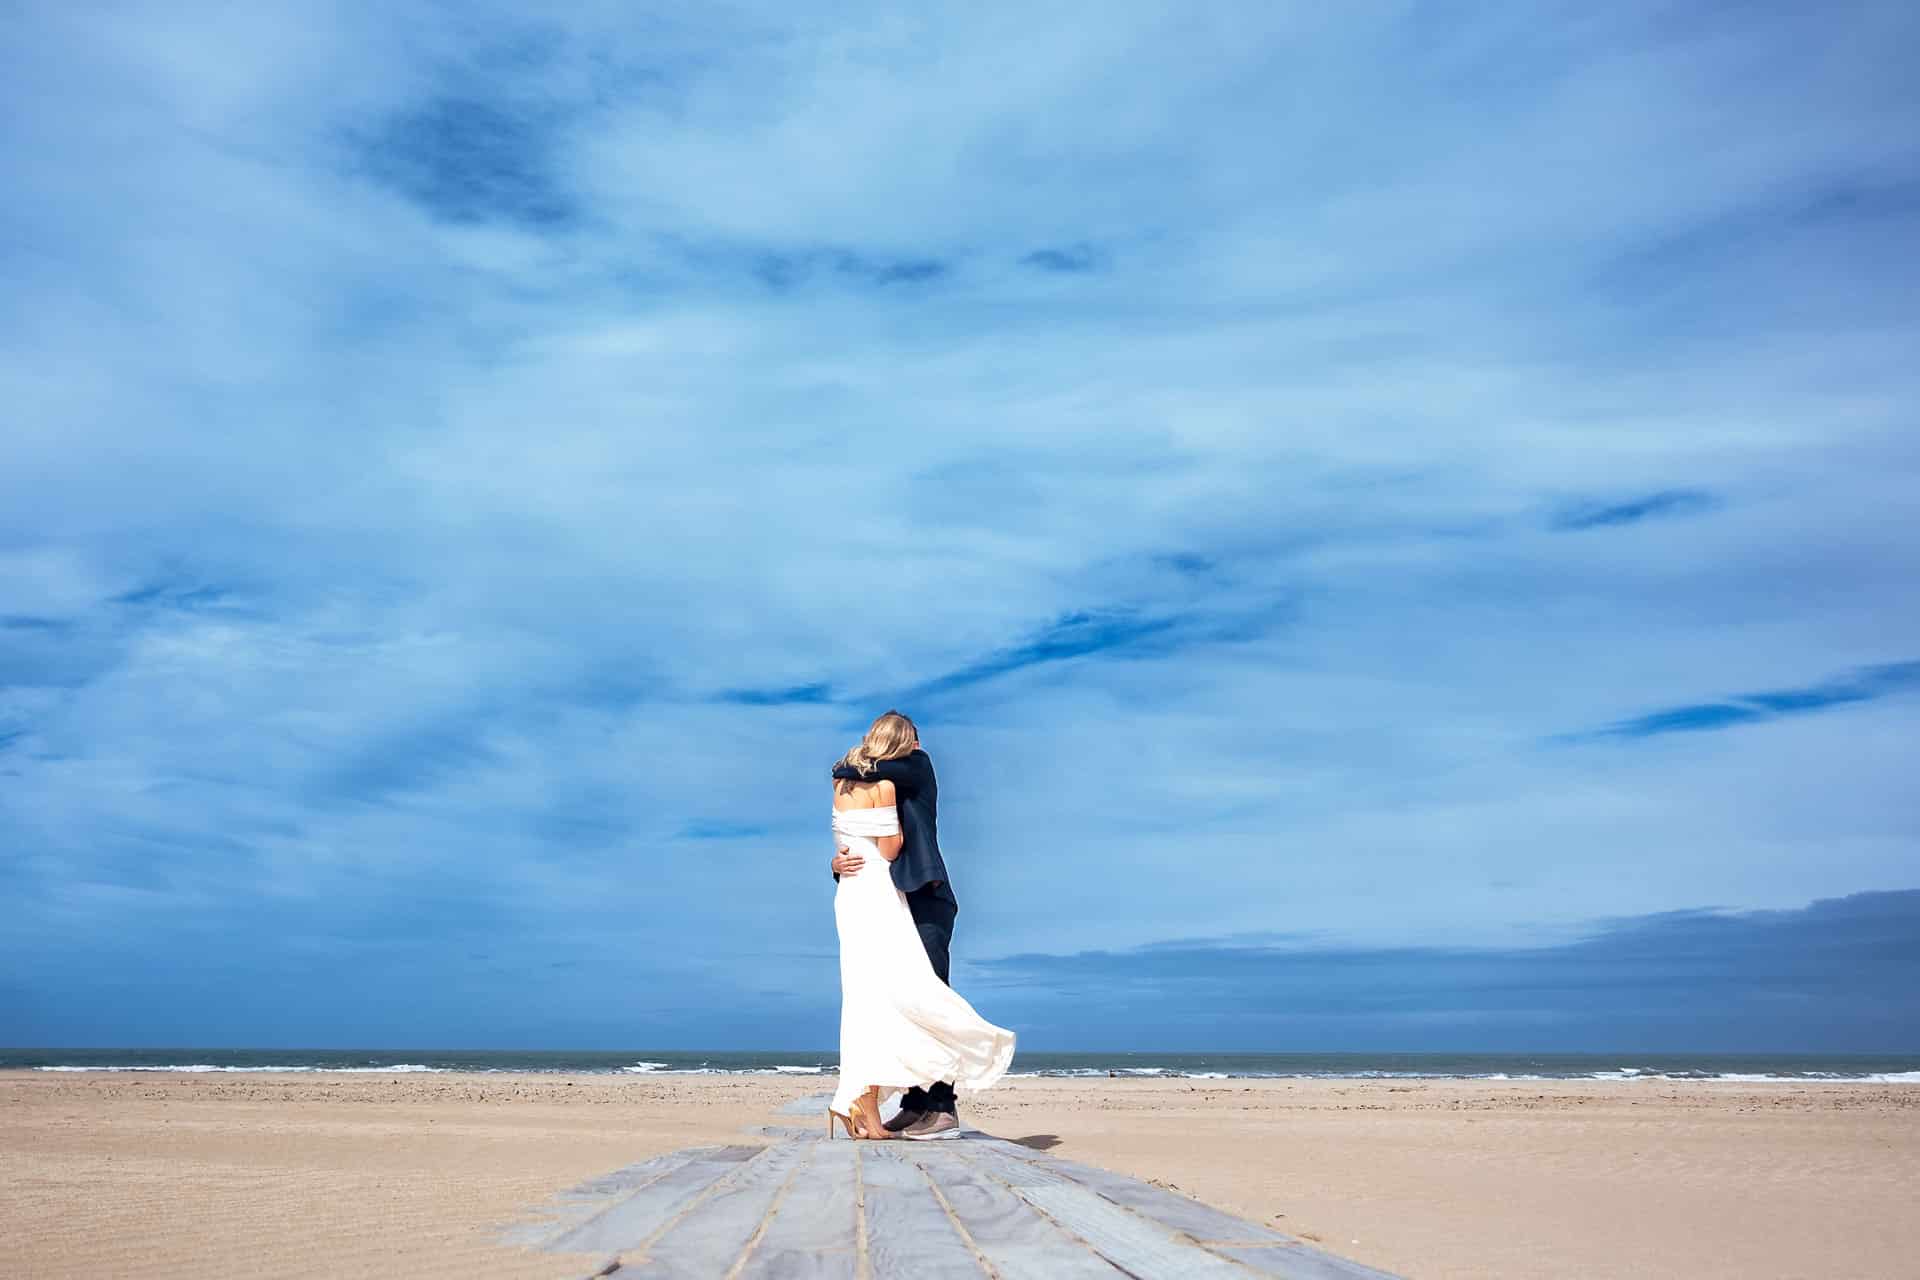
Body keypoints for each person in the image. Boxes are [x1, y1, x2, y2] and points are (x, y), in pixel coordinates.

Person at [826, 711, 1013, 1140]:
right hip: (888, 898)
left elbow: (844, 768)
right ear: (900, 739)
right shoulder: (879, 779)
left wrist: (846, 763)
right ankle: (914, 1104)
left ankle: (943, 1107)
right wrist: (838, 863)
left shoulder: (916, 765)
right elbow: (861, 837)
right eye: (912, 737)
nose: (918, 743)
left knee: (927, 996)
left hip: (925, 897)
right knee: (900, 1001)